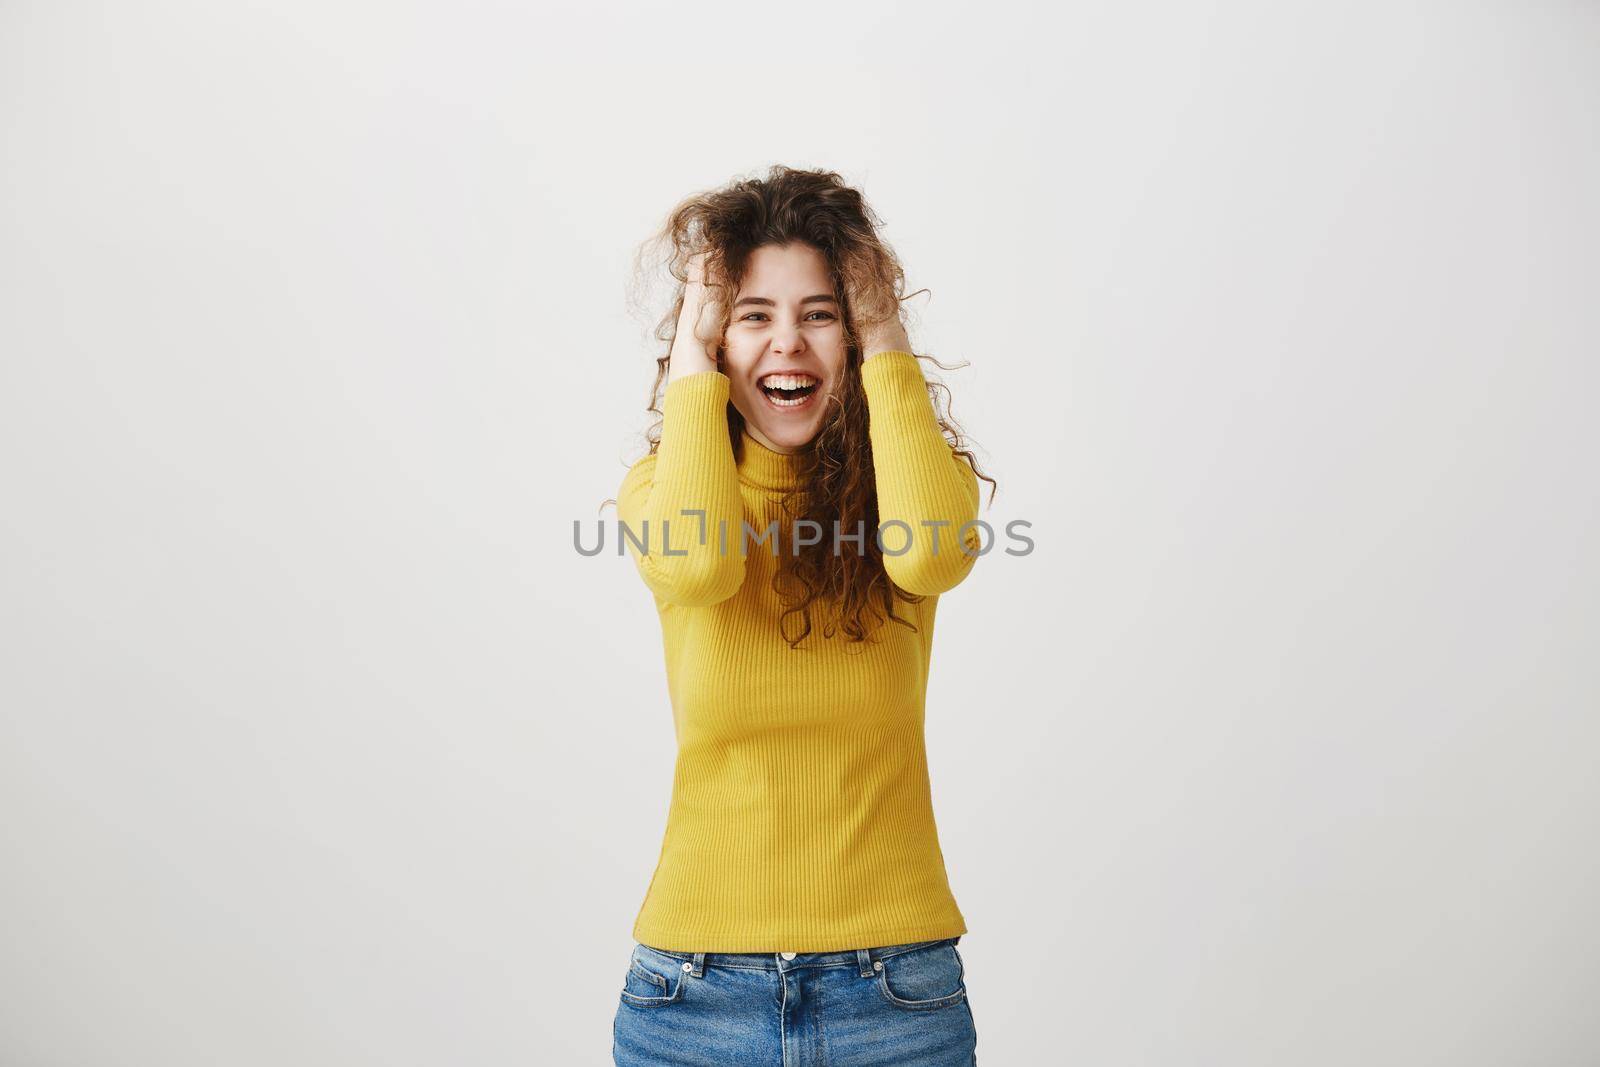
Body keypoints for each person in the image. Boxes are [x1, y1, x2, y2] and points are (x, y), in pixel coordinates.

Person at [609, 165, 996, 1066]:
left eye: (821, 313)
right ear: (715, 336)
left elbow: (931, 552)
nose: (789, 342)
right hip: (690, 997)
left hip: (897, 997)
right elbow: (701, 565)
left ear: (855, 335)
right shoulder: (658, 494)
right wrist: (694, 359)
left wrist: (886, 327)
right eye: (754, 315)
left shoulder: (913, 490)